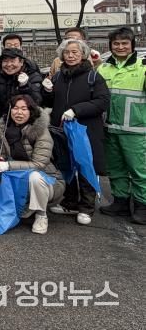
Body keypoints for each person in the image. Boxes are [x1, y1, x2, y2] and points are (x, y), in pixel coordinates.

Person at [42, 38, 110, 225]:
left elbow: (102, 101)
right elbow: (49, 103)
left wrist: (76, 110)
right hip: (61, 129)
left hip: (86, 130)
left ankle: (86, 208)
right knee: (66, 165)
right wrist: (47, 91)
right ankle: (70, 202)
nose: (70, 56)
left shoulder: (93, 76)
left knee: (85, 166)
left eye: (75, 52)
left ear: (83, 55)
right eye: (67, 52)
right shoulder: (58, 76)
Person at [0, 95, 65, 235]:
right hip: (19, 175)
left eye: (24, 109)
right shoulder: (5, 128)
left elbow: (39, 164)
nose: (19, 113)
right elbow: (5, 157)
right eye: (15, 108)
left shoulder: (41, 131)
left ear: (31, 111)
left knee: (35, 177)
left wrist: (9, 165)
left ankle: (41, 215)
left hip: (49, 180)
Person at [97, 27, 146, 224]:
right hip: (110, 128)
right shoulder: (104, 68)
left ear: (132, 45)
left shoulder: (143, 66)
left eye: (125, 43)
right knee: (115, 168)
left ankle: (142, 205)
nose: (120, 47)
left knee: (139, 171)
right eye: (116, 43)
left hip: (136, 130)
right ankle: (121, 202)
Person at [0, 47, 42, 120]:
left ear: (21, 62)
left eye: (12, 61)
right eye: (5, 61)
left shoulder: (33, 76)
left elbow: (37, 101)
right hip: (5, 122)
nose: (9, 64)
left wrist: (25, 86)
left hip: (28, 122)